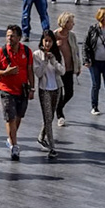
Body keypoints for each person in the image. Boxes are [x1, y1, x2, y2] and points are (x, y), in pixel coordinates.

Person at [0, 25, 34, 161]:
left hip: (22, 89)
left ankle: (11, 138)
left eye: (12, 36)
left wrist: (32, 88)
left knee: (18, 116)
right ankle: (14, 146)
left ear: (19, 38)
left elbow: (29, 70)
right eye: (8, 35)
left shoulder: (27, 52)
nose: (9, 38)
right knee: (10, 117)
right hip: (6, 89)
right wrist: (5, 72)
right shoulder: (1, 52)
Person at [32, 28, 64, 157]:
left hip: (56, 88)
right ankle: (52, 147)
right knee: (48, 118)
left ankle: (41, 137)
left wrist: (53, 61)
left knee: (50, 118)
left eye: (50, 41)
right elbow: (38, 73)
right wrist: (45, 61)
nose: (48, 44)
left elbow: (62, 71)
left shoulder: (57, 54)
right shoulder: (36, 55)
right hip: (44, 89)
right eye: (46, 41)